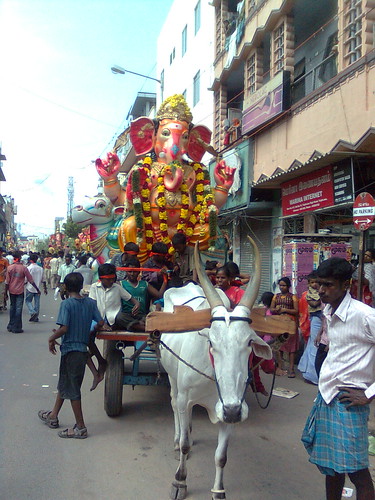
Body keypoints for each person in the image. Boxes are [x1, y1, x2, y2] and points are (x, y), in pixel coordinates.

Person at [301, 257, 375, 499]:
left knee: (358, 473)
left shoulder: (364, 315)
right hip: (328, 396)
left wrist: (369, 393)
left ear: (346, 285)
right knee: (332, 470)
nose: (321, 290)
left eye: (328, 285)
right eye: (319, 284)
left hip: (349, 401)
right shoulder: (328, 309)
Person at [38, 273, 104, 438]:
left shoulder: (67, 304)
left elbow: (64, 328)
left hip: (71, 351)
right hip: (81, 350)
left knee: (73, 389)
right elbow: (100, 322)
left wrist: (51, 338)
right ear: (82, 286)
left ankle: (80, 427)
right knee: (65, 382)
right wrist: (86, 330)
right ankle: (53, 416)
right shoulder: (90, 303)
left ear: (65, 287)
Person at [216, 266, 274, 396]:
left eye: (223, 278)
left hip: (237, 333)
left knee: (250, 355)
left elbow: (245, 310)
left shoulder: (238, 292)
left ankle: (255, 383)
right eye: (218, 277)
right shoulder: (213, 293)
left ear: (230, 279)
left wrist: (227, 305)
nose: (219, 280)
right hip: (219, 333)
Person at [115, 257, 167, 331]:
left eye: (135, 272)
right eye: (130, 271)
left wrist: (165, 280)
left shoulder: (144, 284)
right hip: (127, 315)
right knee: (119, 317)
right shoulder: (121, 284)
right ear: (126, 271)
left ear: (139, 271)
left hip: (141, 316)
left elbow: (159, 295)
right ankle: (144, 328)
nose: (132, 274)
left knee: (152, 318)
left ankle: (137, 326)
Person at [88, 263, 140, 329]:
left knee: (121, 317)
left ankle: (141, 327)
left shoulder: (117, 287)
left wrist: (137, 304)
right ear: (101, 278)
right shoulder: (94, 287)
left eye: (113, 279)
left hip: (115, 320)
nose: (111, 281)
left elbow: (131, 299)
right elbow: (93, 306)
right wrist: (101, 322)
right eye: (108, 279)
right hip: (99, 319)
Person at [5, 251, 41, 333]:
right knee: (18, 309)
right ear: (20, 258)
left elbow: (7, 282)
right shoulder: (24, 268)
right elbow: (30, 280)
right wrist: (37, 289)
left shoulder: (10, 268)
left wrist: (5, 293)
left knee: (12, 308)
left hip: (11, 291)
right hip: (20, 291)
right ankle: (17, 327)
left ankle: (10, 325)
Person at [270, 277, 299, 378]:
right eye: (280, 285)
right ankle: (280, 367)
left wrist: (285, 310)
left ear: (288, 286)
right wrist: (276, 309)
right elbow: (271, 309)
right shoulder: (275, 296)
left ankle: (291, 368)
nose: (282, 287)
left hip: (290, 323)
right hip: (279, 323)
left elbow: (296, 310)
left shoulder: (293, 297)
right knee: (280, 345)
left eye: (284, 285)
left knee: (291, 347)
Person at [298, 271, 322, 385]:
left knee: (312, 344)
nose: (315, 284)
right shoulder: (309, 294)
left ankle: (306, 370)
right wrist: (321, 298)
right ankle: (313, 375)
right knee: (315, 345)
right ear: (309, 283)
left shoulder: (321, 291)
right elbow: (314, 304)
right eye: (312, 282)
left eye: (317, 282)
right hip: (316, 318)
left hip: (319, 318)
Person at [25, 253, 47, 322]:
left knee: (28, 301)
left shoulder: (28, 268)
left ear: (30, 260)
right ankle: (36, 316)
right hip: (38, 288)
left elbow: (26, 279)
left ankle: (32, 312)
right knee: (37, 303)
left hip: (30, 287)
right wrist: (45, 288)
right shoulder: (40, 269)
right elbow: (44, 280)